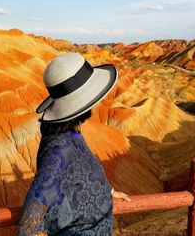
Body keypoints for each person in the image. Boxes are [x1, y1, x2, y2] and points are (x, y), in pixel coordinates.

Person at [18, 52, 131, 236]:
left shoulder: (71, 132)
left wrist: (106, 191)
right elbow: (29, 223)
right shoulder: (57, 151)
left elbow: (81, 173)